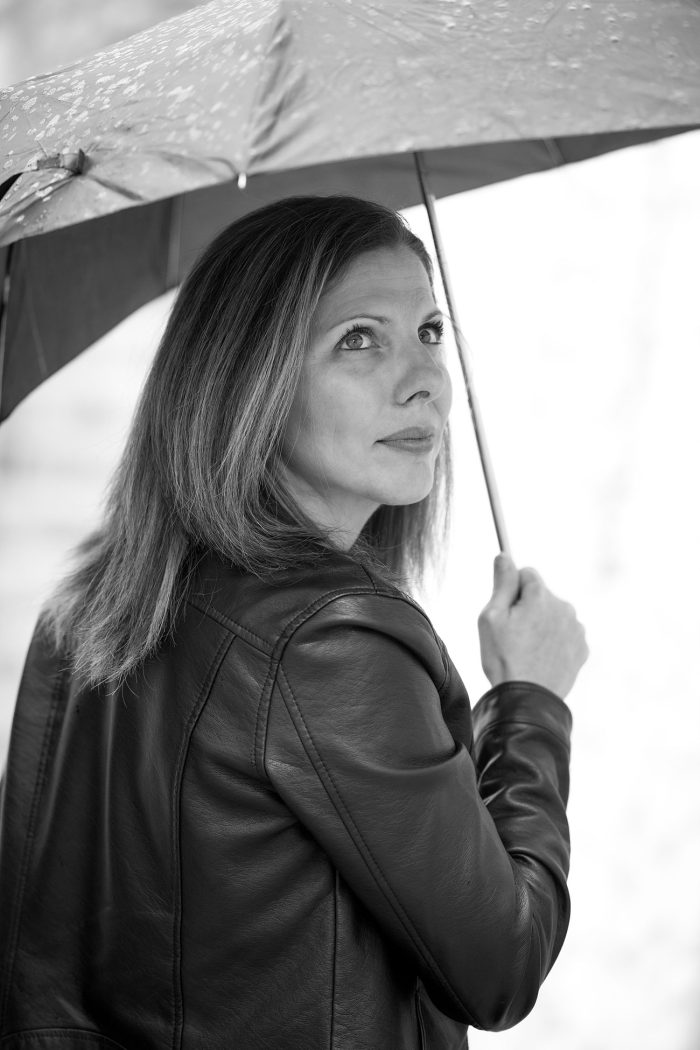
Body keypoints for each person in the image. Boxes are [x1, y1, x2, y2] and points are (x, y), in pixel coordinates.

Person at [0, 195, 588, 1049]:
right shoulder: (330, 640)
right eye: (359, 338)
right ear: (254, 381)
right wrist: (533, 703)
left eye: (429, 330)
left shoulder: (98, 590)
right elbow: (499, 967)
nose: (424, 378)